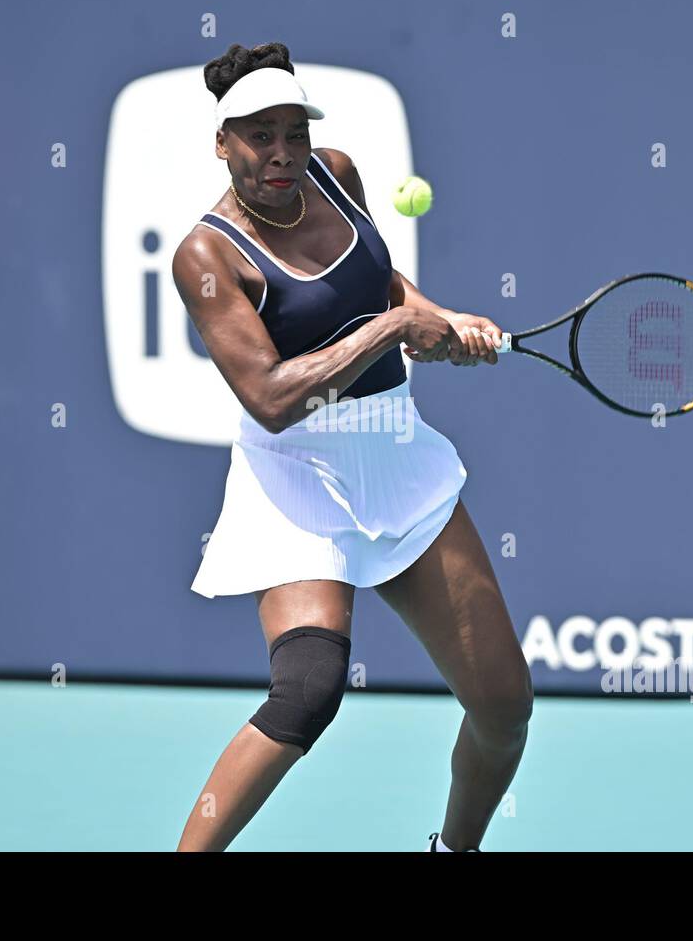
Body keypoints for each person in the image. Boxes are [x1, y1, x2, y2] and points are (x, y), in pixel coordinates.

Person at [172, 42, 533, 851]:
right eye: (259, 136)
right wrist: (396, 328)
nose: (282, 154)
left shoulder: (334, 172)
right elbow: (268, 398)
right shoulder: (206, 254)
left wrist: (432, 315)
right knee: (307, 689)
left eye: (293, 133)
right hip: (296, 477)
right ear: (222, 142)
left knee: (504, 707)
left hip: (397, 454)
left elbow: (380, 280)